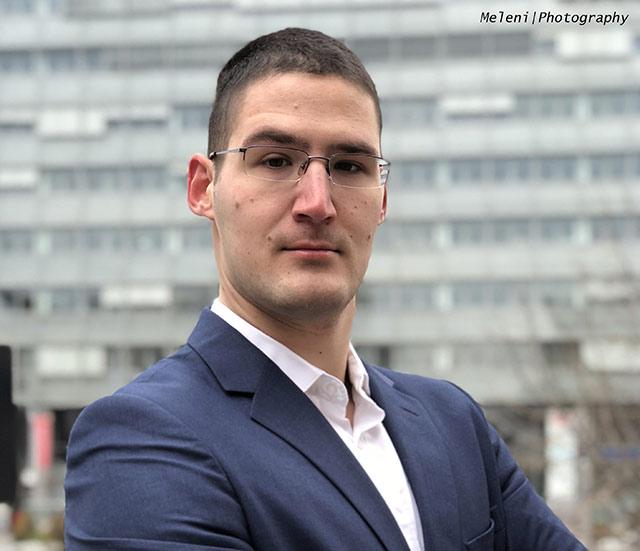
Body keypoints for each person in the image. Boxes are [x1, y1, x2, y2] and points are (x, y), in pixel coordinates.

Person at [64, 28, 586, 550]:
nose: (317, 202)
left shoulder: (453, 423)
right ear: (204, 187)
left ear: (382, 200)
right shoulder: (141, 437)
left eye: (350, 166)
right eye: (275, 160)